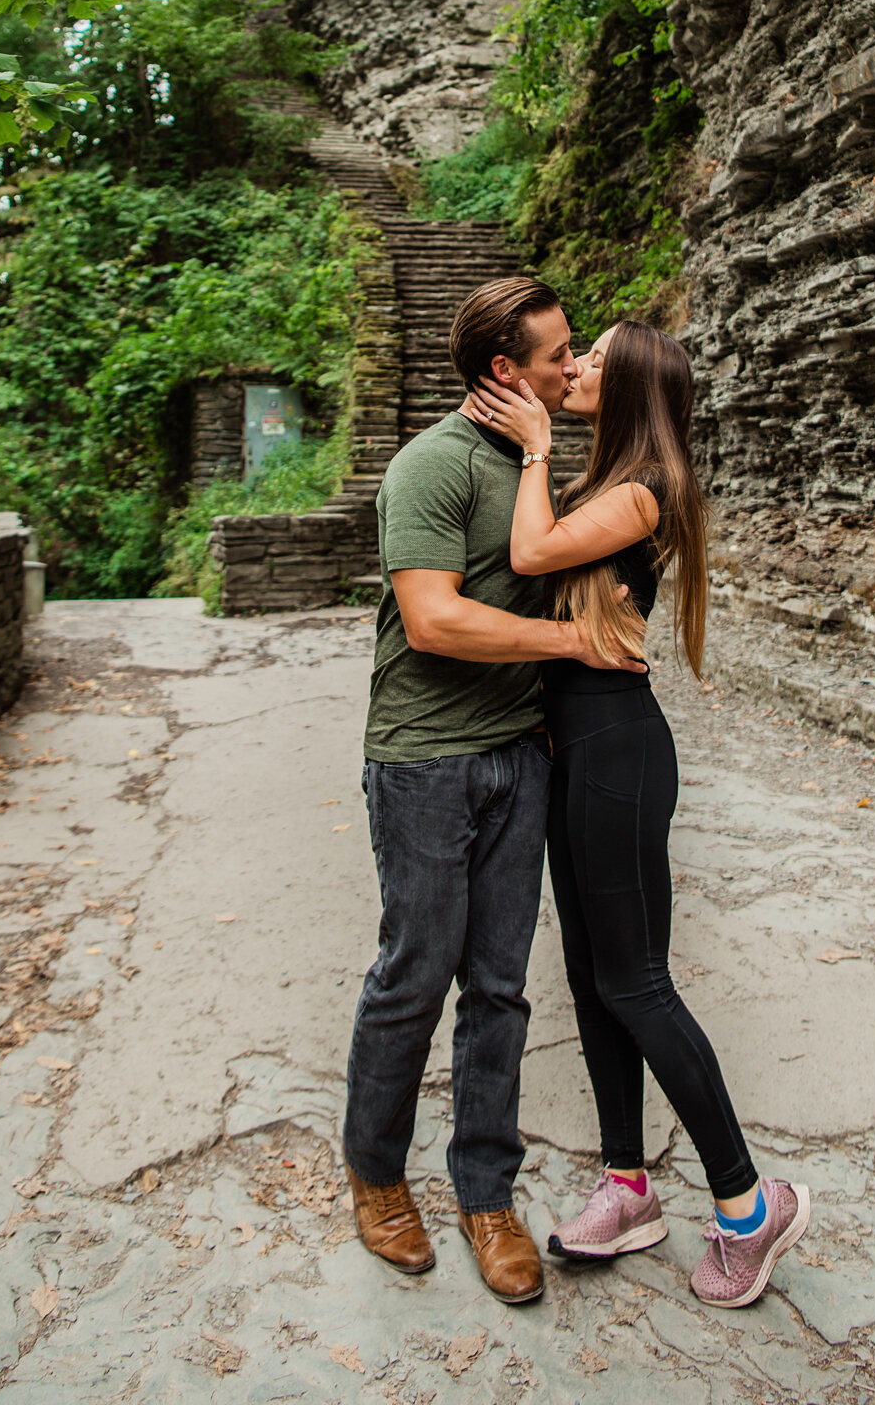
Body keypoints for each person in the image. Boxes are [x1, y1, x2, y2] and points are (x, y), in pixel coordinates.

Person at [473, 318, 810, 1309]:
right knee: (592, 975)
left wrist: (532, 444)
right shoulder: (602, 481)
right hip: (572, 748)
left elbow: (531, 546)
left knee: (636, 981)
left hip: (616, 748)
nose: (569, 368)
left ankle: (750, 1204)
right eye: (570, 358)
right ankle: (626, 1184)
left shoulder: (642, 489)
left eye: (589, 360)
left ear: (627, 386)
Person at [342, 276, 646, 1307]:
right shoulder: (428, 464)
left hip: (521, 753)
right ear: (504, 369)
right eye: (558, 353)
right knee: (413, 974)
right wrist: (576, 641)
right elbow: (432, 620)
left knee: (502, 988)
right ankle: (378, 1176)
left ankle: (486, 1192)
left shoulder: (540, 463)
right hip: (424, 756)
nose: (571, 367)